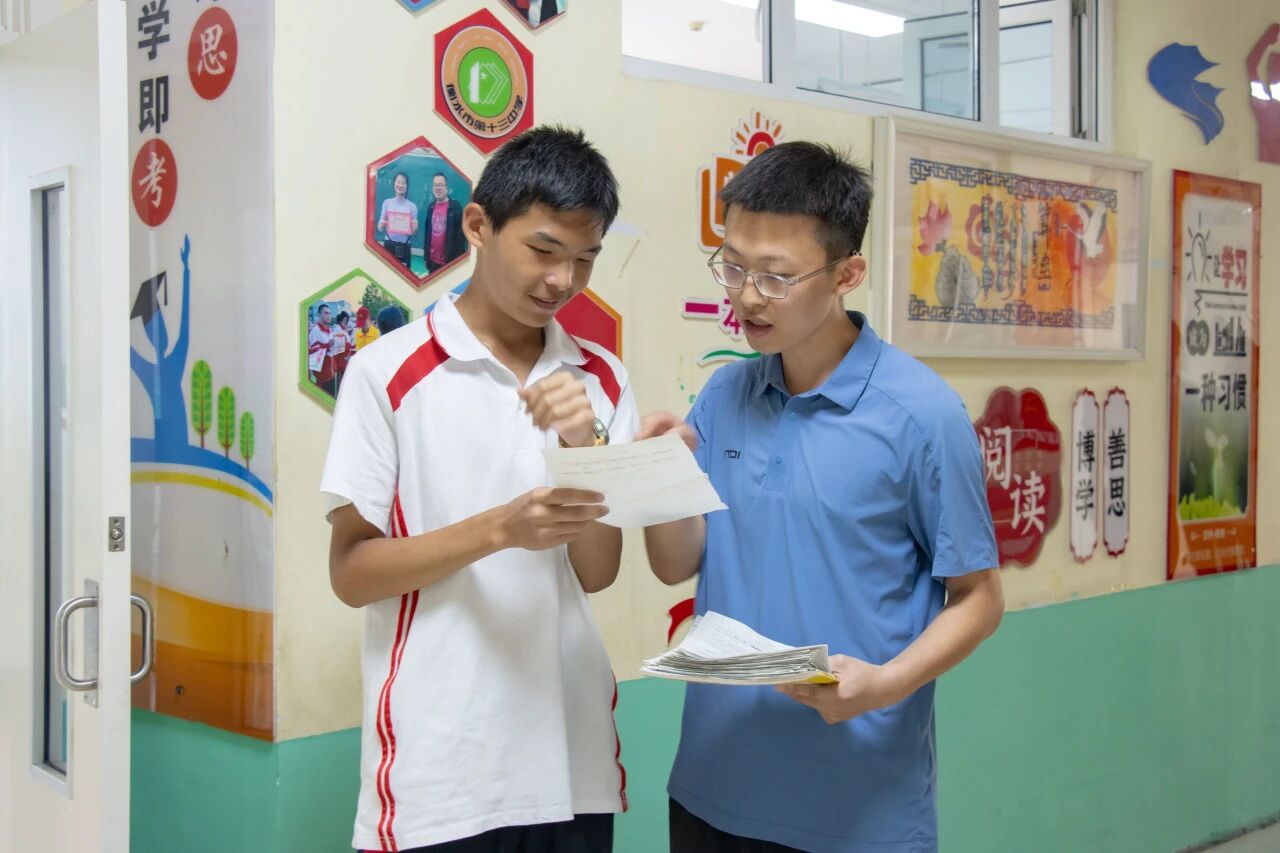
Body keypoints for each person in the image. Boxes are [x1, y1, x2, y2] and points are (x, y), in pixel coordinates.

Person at [640, 142, 1005, 853]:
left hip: (855, 807)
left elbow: (979, 598)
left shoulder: (921, 415)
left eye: (776, 276)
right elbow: (675, 563)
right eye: (733, 266)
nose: (748, 296)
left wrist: (885, 684)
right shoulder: (726, 392)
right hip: (711, 787)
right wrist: (662, 477)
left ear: (847, 274)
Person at [321, 126, 633, 853]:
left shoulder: (602, 379)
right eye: (544, 250)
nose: (562, 280)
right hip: (439, 773)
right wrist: (500, 530)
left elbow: (598, 571)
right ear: (477, 226)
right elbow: (352, 573)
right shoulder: (387, 373)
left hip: (572, 760)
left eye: (585, 259)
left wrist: (582, 446)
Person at [424, 171, 468, 275]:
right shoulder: (431, 207)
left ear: (446, 188)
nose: (438, 188)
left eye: (440, 185)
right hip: (432, 261)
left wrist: (457, 262)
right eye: (435, 185)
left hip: (449, 262)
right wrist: (426, 257)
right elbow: (427, 234)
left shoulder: (456, 207)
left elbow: (462, 238)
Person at [378, 171, 419, 271]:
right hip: (389, 244)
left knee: (404, 275)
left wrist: (415, 228)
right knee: (387, 273)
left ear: (407, 186)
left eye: (403, 183)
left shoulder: (412, 206)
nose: (400, 185)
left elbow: (414, 233)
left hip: (405, 245)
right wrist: (382, 224)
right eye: (398, 182)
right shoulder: (387, 203)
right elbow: (380, 228)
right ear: (394, 183)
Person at [307, 303, 337, 397]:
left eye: (330, 313)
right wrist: (327, 345)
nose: (329, 316)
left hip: (332, 374)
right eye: (326, 313)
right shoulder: (315, 331)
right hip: (322, 378)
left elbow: (332, 351)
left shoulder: (330, 331)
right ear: (319, 315)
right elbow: (314, 354)